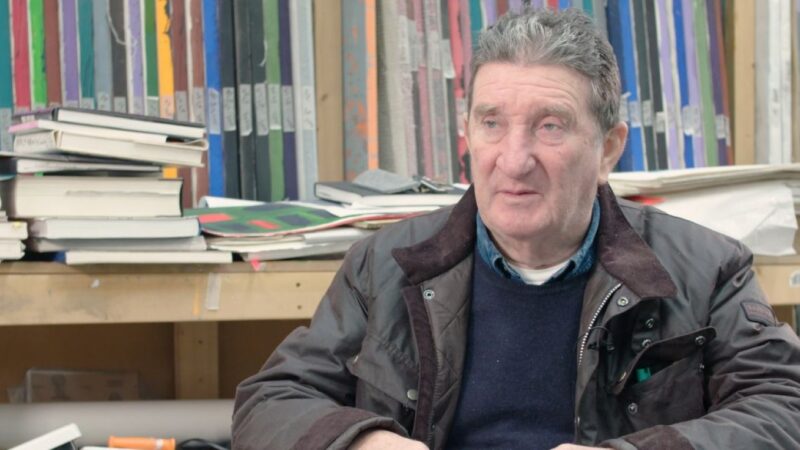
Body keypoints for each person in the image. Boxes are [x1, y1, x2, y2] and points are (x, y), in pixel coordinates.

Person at [232, 7, 800, 450]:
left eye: (550, 126)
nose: (514, 158)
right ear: (467, 134)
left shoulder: (705, 269)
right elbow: (270, 401)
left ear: (608, 149)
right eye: (492, 123)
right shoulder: (384, 266)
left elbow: (784, 406)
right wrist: (360, 441)